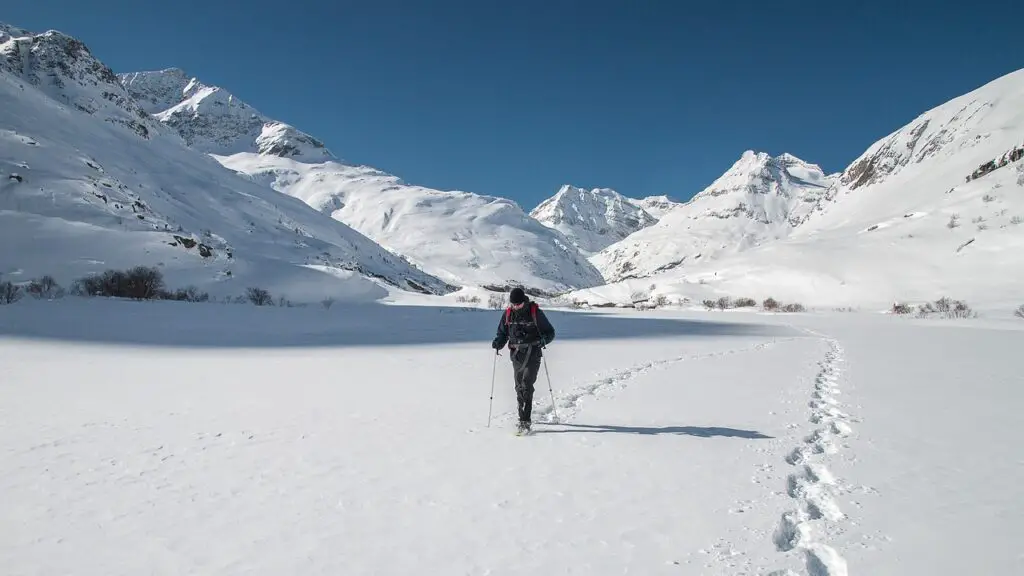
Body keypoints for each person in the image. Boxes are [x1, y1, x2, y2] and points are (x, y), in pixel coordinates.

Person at [491, 287, 556, 434]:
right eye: (514, 304)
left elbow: (550, 332)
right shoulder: (508, 314)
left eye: (518, 304)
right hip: (516, 356)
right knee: (519, 387)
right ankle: (522, 415)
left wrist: (543, 341)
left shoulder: (535, 312)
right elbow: (502, 333)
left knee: (526, 386)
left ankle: (524, 421)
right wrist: (498, 342)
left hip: (533, 354)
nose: (516, 307)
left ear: (523, 302)